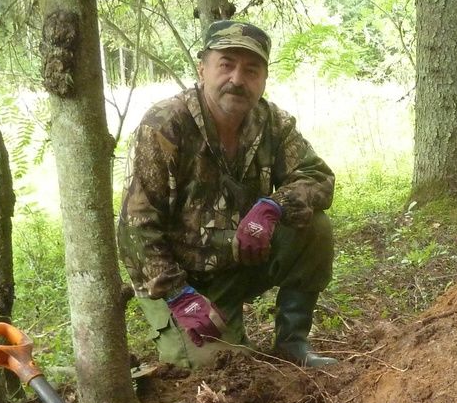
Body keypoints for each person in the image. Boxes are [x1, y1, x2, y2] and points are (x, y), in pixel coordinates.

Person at [118, 19, 338, 369]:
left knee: (314, 228)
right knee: (220, 367)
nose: (237, 79)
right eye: (226, 65)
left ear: (264, 80)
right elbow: (136, 226)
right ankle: (212, 333)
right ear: (202, 68)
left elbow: (318, 177)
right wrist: (177, 293)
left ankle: (292, 342)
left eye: (251, 70)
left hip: (237, 261)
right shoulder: (165, 125)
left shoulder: (272, 123)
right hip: (179, 280)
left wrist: (273, 205)